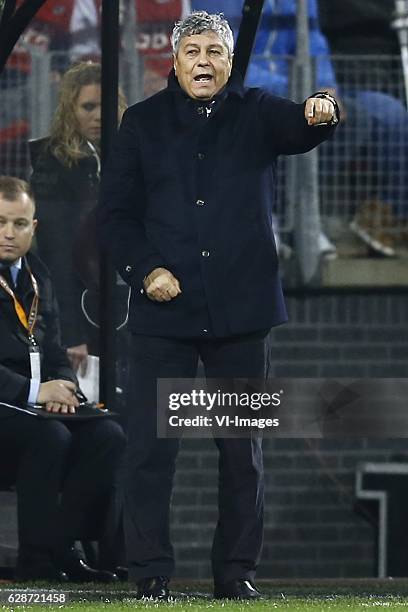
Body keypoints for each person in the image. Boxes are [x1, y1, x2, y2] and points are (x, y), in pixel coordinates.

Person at [98, 11, 338, 600]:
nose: (204, 61)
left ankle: (235, 574)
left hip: (242, 314)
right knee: (152, 452)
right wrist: (147, 269)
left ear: (231, 61)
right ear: (174, 61)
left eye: (215, 51)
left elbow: (304, 124)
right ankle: (149, 571)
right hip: (164, 316)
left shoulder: (257, 111)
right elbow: (117, 216)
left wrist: (323, 105)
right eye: (193, 51)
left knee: (241, 454)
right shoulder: (142, 123)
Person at [0, 176, 126, 582]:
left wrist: (64, 387)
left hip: (36, 407)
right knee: (50, 437)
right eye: (0, 222)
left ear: (34, 227)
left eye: (19, 224)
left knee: (108, 435)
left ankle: (62, 548)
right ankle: (36, 565)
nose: (8, 233)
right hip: (11, 407)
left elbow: (52, 349)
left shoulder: (37, 273)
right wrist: (37, 391)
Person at [30, 61, 127, 376]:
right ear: (69, 110)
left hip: (122, 307)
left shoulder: (123, 156)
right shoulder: (56, 165)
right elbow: (55, 255)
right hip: (80, 316)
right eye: (88, 106)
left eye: (105, 105)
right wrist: (71, 333)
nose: (99, 115)